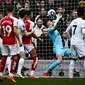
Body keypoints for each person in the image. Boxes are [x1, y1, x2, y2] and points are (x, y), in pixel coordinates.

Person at [42, 14, 71, 78]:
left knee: (73, 52)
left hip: (61, 48)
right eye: (48, 23)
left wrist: (57, 19)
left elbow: (56, 25)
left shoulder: (54, 29)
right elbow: (55, 27)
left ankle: (73, 68)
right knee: (59, 60)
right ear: (47, 25)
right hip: (57, 48)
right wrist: (58, 18)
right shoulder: (50, 30)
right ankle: (46, 71)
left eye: (50, 22)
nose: (50, 23)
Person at [0, 5, 22, 82]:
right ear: (13, 11)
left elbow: (0, 32)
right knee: (15, 57)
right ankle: (11, 75)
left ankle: (0, 75)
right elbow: (15, 31)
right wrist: (19, 40)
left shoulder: (2, 20)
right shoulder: (14, 19)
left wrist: (4, 37)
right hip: (12, 41)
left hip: (4, 41)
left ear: (6, 11)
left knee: (3, 58)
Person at [65, 7, 85, 80]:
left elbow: (66, 31)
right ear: (83, 14)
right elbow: (84, 33)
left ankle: (70, 77)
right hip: (79, 41)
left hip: (73, 42)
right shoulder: (83, 22)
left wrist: (70, 39)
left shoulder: (73, 21)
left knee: (73, 59)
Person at [22, 10, 42, 78]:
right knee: (35, 57)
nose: (32, 15)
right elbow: (30, 33)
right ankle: (32, 74)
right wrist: (38, 38)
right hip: (27, 43)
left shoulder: (21, 22)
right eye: (32, 14)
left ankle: (15, 72)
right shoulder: (31, 23)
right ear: (29, 15)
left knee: (18, 58)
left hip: (20, 43)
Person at [16, 8, 34, 78]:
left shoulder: (16, 21)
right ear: (25, 15)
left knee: (14, 57)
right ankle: (18, 72)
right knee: (22, 56)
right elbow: (26, 34)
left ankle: (11, 72)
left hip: (14, 41)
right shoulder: (22, 23)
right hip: (19, 41)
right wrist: (32, 31)